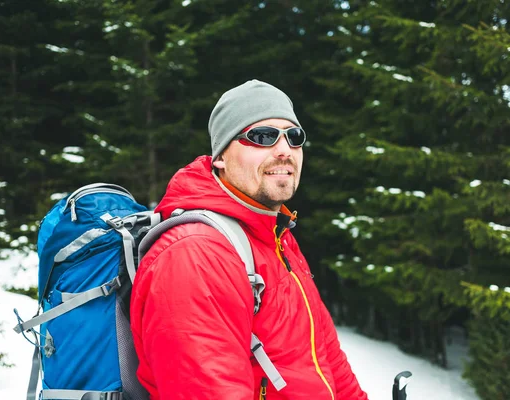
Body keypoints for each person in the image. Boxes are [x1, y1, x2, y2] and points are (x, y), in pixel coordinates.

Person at [130, 80, 368, 399]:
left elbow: (329, 360)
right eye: (263, 136)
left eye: (294, 137)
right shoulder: (195, 254)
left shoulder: (276, 235)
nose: (284, 150)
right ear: (220, 158)